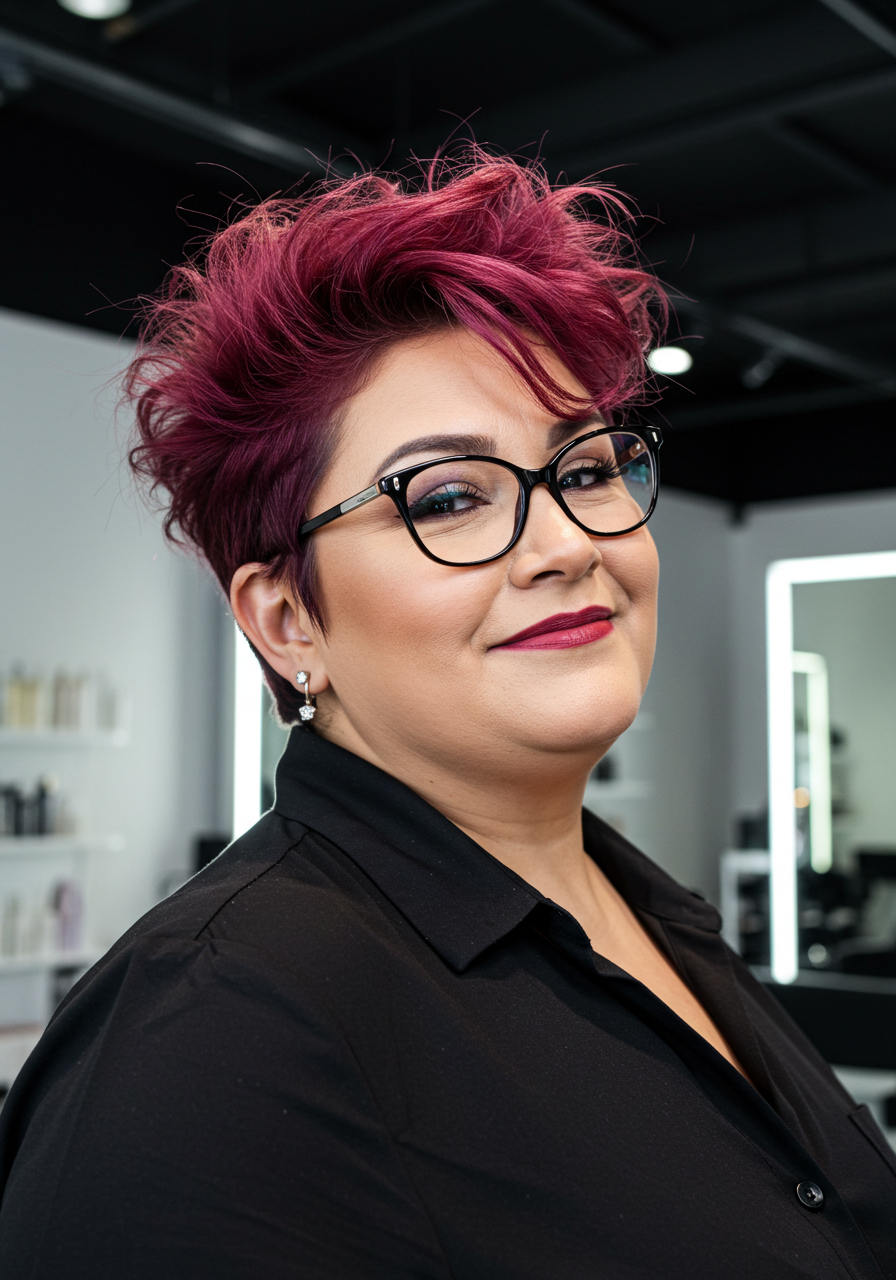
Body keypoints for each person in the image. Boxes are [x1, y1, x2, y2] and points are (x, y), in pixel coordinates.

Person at [0, 155, 893, 1280]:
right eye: (451, 497)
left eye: (586, 470)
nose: (566, 544)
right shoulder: (213, 1029)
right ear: (287, 620)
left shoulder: (653, 916)